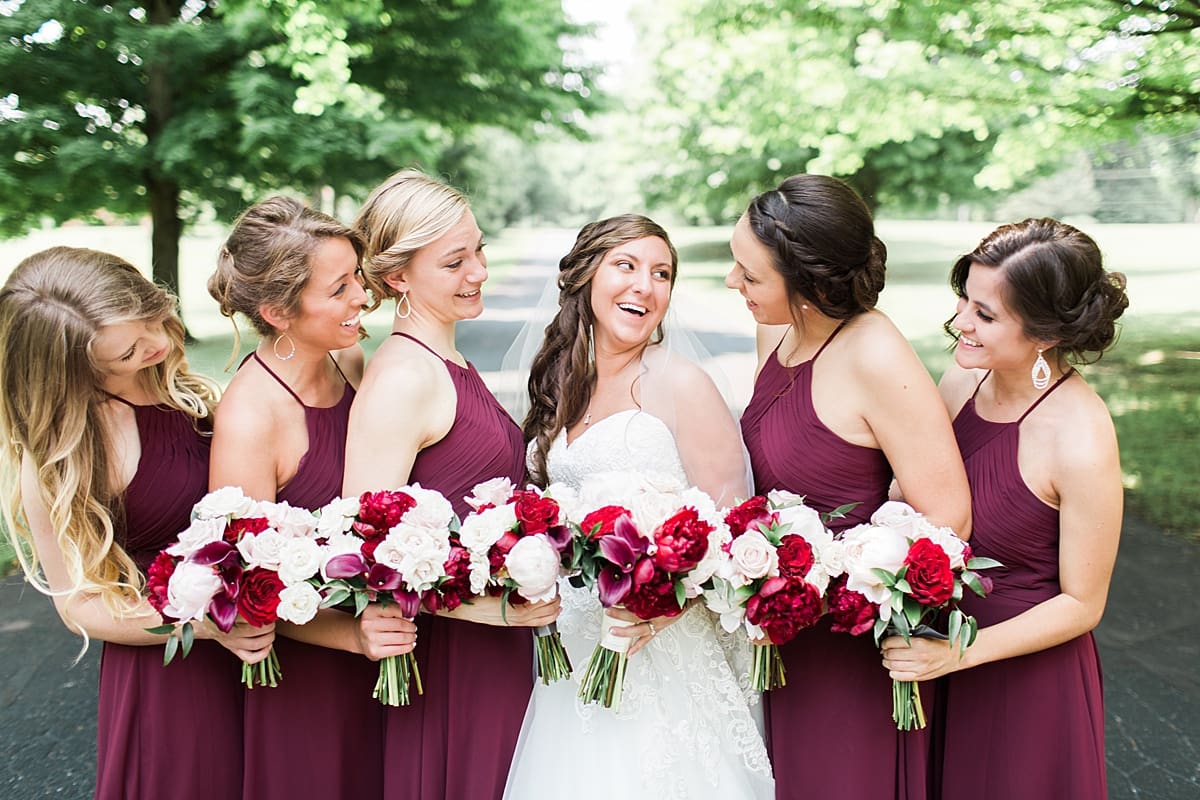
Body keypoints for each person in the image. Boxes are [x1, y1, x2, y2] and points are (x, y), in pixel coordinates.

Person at [504, 214, 774, 800]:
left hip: (661, 651)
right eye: (625, 266)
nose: (644, 287)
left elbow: (734, 539)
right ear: (585, 276)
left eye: (661, 273)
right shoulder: (558, 377)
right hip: (573, 648)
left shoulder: (682, 384)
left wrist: (662, 604)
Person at [728, 174, 971, 800]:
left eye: (750, 276)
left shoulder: (875, 355)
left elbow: (947, 517)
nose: (734, 284)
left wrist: (840, 570)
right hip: (773, 633)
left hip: (849, 650)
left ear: (808, 283)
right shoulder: (777, 331)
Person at [0, 247, 271, 799]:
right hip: (175, 664)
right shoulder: (64, 456)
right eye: (129, 349)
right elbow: (79, 605)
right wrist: (205, 626)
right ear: (74, 369)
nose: (160, 342)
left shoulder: (185, 392)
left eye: (152, 316)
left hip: (269, 637)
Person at [880, 218, 1127, 799]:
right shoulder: (959, 383)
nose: (961, 322)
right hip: (933, 660)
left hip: (1023, 684)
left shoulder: (1080, 438)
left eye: (986, 315)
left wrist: (956, 655)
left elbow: (1083, 603)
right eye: (965, 298)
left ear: (1043, 332)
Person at [346, 168, 559, 800]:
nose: (479, 272)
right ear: (396, 277)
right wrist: (488, 609)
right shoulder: (404, 377)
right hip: (456, 659)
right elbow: (365, 556)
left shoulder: (448, 360)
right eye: (454, 262)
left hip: (498, 641)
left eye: (480, 250)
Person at [208, 196, 415, 799]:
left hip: (386, 655)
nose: (363, 297)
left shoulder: (347, 357)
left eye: (357, 276)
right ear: (277, 311)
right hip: (309, 681)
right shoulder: (249, 416)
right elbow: (246, 584)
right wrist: (352, 637)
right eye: (340, 288)